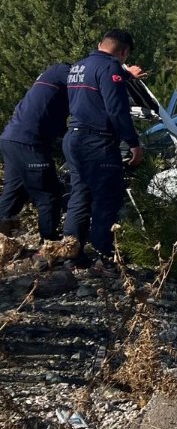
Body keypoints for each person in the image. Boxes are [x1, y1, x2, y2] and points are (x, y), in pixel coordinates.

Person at [62, 30, 146, 275]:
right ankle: (103, 258)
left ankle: (70, 254)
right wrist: (133, 143)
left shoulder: (79, 66)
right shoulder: (110, 68)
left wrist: (125, 75)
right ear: (124, 52)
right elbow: (117, 110)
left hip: (74, 138)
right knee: (107, 198)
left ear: (100, 44)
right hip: (97, 143)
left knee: (80, 195)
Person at [0, 63, 70, 248]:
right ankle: (49, 245)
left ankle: (3, 242)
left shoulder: (50, 82)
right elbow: (86, 86)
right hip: (30, 142)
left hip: (12, 139)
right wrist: (124, 75)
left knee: (15, 192)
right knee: (49, 195)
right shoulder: (63, 70)